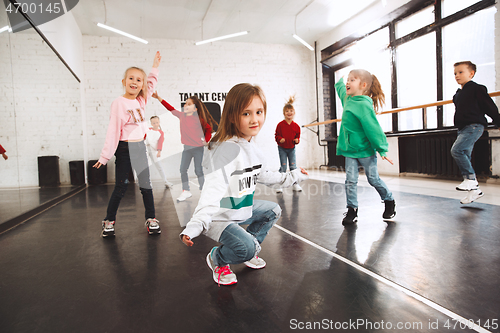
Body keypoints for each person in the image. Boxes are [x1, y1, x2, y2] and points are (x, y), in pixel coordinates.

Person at [180, 83, 308, 286]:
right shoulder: (227, 151)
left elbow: (264, 175)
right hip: (219, 217)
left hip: (240, 209)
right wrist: (195, 225)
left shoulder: (251, 146)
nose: (255, 119)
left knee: (272, 210)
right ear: (232, 116)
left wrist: (292, 176)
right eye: (246, 114)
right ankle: (218, 258)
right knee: (246, 248)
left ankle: (248, 249)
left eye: (259, 112)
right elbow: (211, 192)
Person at [93, 51, 162, 238]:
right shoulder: (119, 103)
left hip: (139, 147)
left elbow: (151, 83)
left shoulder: (141, 100)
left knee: (146, 185)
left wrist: (154, 65)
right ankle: (109, 221)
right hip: (124, 149)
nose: (135, 82)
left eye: (139, 80)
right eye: (131, 78)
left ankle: (151, 219)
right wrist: (105, 155)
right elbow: (113, 130)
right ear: (124, 82)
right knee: (121, 187)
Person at [335, 69, 395, 226]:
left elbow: (373, 128)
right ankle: (352, 210)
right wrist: (340, 81)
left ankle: (389, 200)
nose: (348, 82)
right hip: (350, 151)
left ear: (363, 85)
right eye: (348, 79)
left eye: (352, 80)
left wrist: (382, 149)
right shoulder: (348, 99)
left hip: (365, 151)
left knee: (373, 179)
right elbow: (341, 90)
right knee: (350, 181)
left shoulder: (364, 106)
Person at [152, 92, 217, 202]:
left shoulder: (199, 119)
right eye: (185, 103)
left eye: (189, 104)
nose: (185, 105)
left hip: (198, 149)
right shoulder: (181, 116)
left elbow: (208, 129)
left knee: (198, 170)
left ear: (195, 108)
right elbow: (170, 108)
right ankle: (186, 190)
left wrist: (206, 140)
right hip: (187, 148)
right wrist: (159, 97)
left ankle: (203, 190)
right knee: (183, 169)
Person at [450, 61, 500, 204]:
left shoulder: (477, 89)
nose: (457, 75)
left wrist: (498, 121)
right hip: (463, 128)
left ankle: (470, 180)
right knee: (464, 154)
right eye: (455, 73)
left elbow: (489, 106)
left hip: (474, 126)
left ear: (471, 74)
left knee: (457, 150)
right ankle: (474, 191)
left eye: (460, 72)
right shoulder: (458, 94)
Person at [275, 95, 302, 193]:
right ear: (284, 113)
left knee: (293, 167)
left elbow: (298, 137)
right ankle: (279, 185)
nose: (289, 113)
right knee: (283, 167)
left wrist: (297, 140)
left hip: (291, 148)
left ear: (294, 113)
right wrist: (280, 139)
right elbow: (276, 136)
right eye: (287, 111)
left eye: (291, 111)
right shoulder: (280, 125)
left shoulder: (296, 126)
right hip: (282, 148)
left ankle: (295, 184)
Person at [145, 115, 174, 188]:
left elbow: (160, 142)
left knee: (159, 166)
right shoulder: (148, 129)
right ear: (151, 123)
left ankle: (165, 181)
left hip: (154, 150)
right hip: (145, 148)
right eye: (153, 123)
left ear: (159, 122)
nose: (155, 124)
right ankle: (147, 182)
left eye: (157, 122)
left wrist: (159, 151)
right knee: (146, 166)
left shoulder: (160, 132)